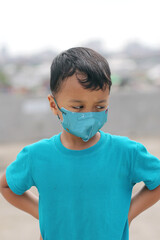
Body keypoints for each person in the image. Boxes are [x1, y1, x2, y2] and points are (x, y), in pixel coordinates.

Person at [0, 47, 160, 240]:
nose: (90, 115)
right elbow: (6, 186)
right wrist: (43, 215)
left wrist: (128, 214)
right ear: (53, 105)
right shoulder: (36, 156)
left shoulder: (126, 152)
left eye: (100, 106)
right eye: (78, 107)